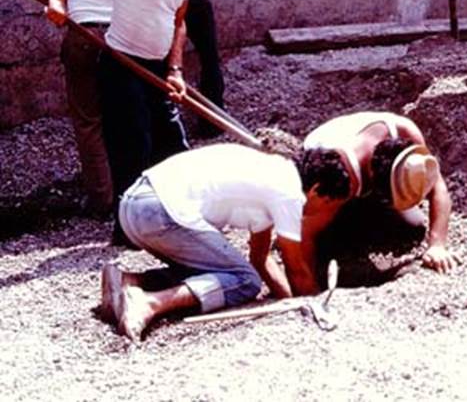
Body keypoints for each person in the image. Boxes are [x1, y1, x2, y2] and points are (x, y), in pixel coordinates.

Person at [46, 0, 212, 246]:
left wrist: (175, 71)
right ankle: (127, 230)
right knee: (133, 144)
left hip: (154, 69)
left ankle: (178, 217)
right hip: (122, 65)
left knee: (173, 144)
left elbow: (178, 21)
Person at [99, 131, 351, 341]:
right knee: (245, 282)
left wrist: (288, 302)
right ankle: (150, 303)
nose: (324, 213)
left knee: (222, 271)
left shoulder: (275, 173)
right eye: (329, 204)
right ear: (316, 189)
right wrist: (313, 302)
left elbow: (261, 258)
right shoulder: (290, 192)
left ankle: (129, 281)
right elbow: (296, 269)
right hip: (159, 211)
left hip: (135, 205)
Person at [17, 0, 138, 217]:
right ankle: (128, 196)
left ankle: (101, 201)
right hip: (122, 37)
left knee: (89, 120)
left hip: (82, 34)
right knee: (125, 116)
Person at [302, 111, 457, 275]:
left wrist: (437, 245)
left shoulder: (408, 135)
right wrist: (309, 289)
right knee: (335, 234)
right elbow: (305, 233)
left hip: (364, 169)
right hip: (323, 162)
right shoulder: (342, 174)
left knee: (415, 223)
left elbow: (438, 188)